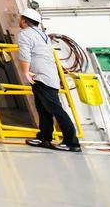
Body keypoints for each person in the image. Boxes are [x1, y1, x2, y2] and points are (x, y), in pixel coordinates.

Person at [17, 8, 80, 153]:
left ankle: (72, 142)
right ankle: (44, 137)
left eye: (20, 18)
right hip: (48, 76)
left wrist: (25, 72)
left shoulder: (25, 34)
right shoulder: (42, 34)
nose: (19, 21)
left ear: (24, 20)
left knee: (56, 110)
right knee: (43, 109)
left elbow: (24, 55)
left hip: (42, 77)